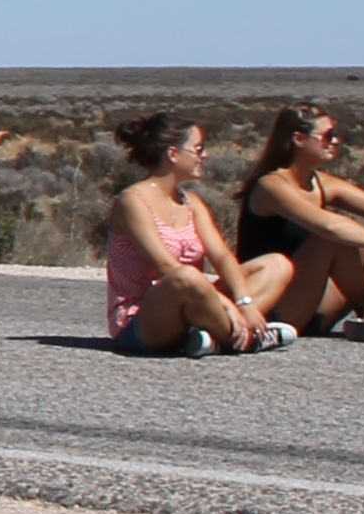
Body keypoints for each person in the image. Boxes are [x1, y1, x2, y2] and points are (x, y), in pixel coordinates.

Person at [103, 111, 295, 355]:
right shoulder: (132, 201)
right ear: (173, 154)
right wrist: (225, 303)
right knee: (186, 277)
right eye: (198, 148)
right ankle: (247, 339)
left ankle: (212, 337)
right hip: (142, 320)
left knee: (277, 265)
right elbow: (166, 266)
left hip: (196, 306)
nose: (205, 155)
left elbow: (223, 257)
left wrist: (243, 301)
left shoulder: (191, 202)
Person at [239, 104, 364, 340]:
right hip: (275, 311)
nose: (336, 141)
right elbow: (330, 227)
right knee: (330, 239)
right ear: (299, 139)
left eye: (337, 134)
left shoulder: (320, 183)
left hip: (314, 304)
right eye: (328, 136)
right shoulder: (271, 186)